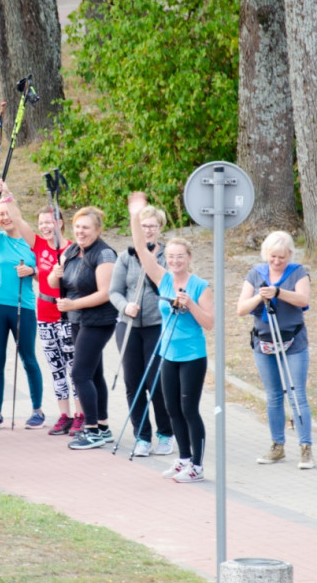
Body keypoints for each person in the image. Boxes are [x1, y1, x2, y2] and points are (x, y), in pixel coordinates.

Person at [128, 192, 214, 482]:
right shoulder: (163, 277)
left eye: (180, 257)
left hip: (192, 356)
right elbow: (141, 249)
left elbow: (210, 323)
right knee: (171, 407)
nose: (175, 261)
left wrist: (189, 304)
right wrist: (135, 215)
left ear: (189, 259)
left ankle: (198, 467)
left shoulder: (201, 285)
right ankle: (183, 459)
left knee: (189, 408)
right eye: (172, 257)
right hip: (168, 354)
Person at [235, 230, 314, 469]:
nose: (277, 261)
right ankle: (277, 446)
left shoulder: (299, 272)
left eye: (282, 257)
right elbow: (241, 309)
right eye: (273, 257)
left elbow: (303, 300)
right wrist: (260, 297)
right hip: (264, 341)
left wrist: (279, 292)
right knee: (273, 396)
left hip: (293, 340)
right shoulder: (255, 274)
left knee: (297, 394)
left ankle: (306, 447)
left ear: (290, 254)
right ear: (265, 255)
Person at [9, 201, 83, 436]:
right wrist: (7, 196)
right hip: (45, 316)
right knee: (56, 367)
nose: (45, 227)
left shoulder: (72, 249)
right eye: (41, 223)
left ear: (60, 223)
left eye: (49, 222)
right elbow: (19, 221)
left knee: (74, 367)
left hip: (66, 316)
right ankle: (65, 415)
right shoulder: (38, 244)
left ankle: (81, 415)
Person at [49, 206, 118, 450]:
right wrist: (55, 274)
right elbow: (52, 282)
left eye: (86, 228)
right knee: (94, 373)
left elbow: (106, 293)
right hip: (77, 320)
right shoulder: (70, 250)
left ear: (98, 230)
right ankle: (102, 426)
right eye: (78, 227)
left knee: (79, 374)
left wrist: (73, 304)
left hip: (99, 320)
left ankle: (90, 430)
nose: (81, 231)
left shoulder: (105, 254)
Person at [0, 179, 46, 430]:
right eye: (0, 215)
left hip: (24, 306)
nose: (4, 218)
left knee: (28, 357)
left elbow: (44, 277)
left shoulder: (31, 242)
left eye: (7, 214)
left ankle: (37, 411)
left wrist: (31, 270)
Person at [109, 204, 174, 457]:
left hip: (157, 326)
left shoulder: (169, 255)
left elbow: (176, 287)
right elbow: (113, 291)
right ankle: (142, 436)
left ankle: (166, 433)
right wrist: (126, 307)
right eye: (143, 225)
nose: (147, 230)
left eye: (152, 226)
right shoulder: (126, 257)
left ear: (160, 228)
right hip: (129, 327)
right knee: (133, 382)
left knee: (155, 382)